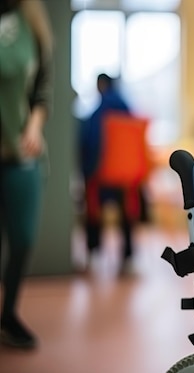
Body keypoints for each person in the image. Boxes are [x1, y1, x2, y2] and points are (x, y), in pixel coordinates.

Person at [0, 0, 53, 349]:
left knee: (21, 240)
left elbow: (40, 93)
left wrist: (34, 127)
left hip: (20, 157)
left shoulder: (31, 23)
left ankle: (8, 315)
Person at [78, 73, 138, 275]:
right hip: (125, 178)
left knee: (93, 212)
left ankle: (93, 255)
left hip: (101, 176)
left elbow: (89, 143)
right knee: (127, 214)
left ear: (100, 86)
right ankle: (128, 258)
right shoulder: (128, 111)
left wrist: (86, 171)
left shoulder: (96, 114)